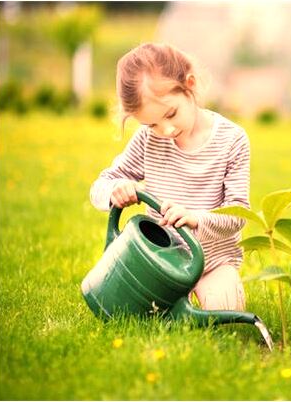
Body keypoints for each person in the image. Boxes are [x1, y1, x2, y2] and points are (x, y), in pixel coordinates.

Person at [90, 43, 249, 311]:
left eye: (171, 114)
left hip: (212, 262)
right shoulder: (147, 140)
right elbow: (100, 187)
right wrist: (116, 189)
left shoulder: (231, 140)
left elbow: (238, 216)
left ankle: (202, 296)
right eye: (151, 124)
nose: (165, 130)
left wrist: (196, 218)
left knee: (226, 311)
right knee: (124, 313)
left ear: (190, 85)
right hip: (159, 262)